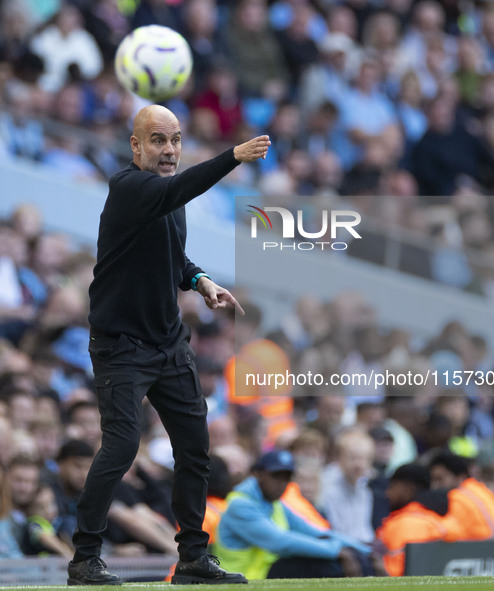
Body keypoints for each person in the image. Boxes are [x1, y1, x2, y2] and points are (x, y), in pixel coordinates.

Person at [68, 103, 270, 586]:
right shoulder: (129, 187)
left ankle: (194, 559)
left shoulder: (165, 198)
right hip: (121, 345)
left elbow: (172, 256)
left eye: (176, 139)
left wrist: (199, 280)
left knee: (196, 448)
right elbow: (181, 187)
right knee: (121, 446)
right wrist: (233, 156)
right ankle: (84, 559)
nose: (170, 149)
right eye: (158, 140)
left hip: (168, 342)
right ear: (135, 146)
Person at [214, 450, 374, 580]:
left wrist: (363, 550)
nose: (282, 483)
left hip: (265, 573)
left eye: (287, 477)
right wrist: (336, 551)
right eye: (276, 476)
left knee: (348, 559)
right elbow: (280, 542)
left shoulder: (274, 503)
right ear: (258, 474)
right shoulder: (240, 505)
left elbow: (317, 533)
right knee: (320, 563)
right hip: (243, 579)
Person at [375, 463, 462, 576]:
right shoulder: (434, 519)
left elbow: (396, 576)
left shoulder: (407, 524)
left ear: (407, 489)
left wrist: (376, 566)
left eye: (392, 487)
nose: (387, 493)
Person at [429, 451, 494, 540]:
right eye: (433, 480)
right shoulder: (480, 489)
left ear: (460, 477)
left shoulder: (455, 497)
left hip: (485, 549)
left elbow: (448, 532)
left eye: (440, 479)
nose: (435, 486)